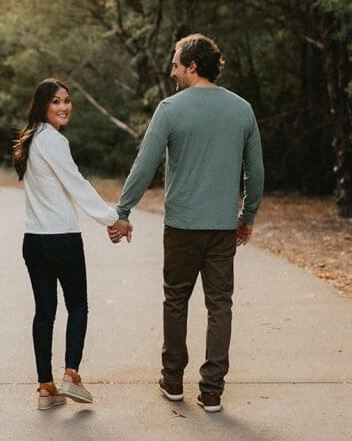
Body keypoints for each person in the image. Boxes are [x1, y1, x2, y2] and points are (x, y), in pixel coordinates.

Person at [110, 33, 264, 414]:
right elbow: (256, 172)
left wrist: (124, 211)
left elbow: (144, 165)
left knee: (176, 300)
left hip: (181, 227)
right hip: (222, 228)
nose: (171, 69)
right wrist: (247, 216)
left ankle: (173, 380)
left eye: (176, 62)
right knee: (220, 306)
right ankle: (212, 390)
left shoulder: (170, 109)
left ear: (192, 66)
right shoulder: (242, 109)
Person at [12, 78, 133, 410]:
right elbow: (78, 185)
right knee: (78, 306)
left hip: (34, 241)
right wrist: (114, 219)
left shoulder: (31, 139)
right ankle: (70, 375)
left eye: (66, 100)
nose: (63, 106)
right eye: (56, 101)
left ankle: (46, 389)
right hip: (61, 239)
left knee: (44, 312)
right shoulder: (52, 141)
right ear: (42, 105)